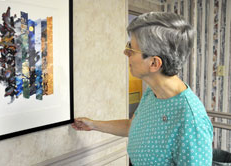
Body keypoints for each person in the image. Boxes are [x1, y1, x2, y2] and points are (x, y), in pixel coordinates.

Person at [71, 12, 213, 166]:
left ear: (154, 63)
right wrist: (93, 124)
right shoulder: (153, 93)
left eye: (131, 49)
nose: (125, 53)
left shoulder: (191, 121)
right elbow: (134, 126)